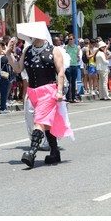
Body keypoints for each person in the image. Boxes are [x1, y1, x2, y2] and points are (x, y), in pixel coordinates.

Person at [6, 22, 73, 168]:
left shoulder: (54, 50)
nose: (29, 36)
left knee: (39, 121)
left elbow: (60, 72)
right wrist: (8, 54)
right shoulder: (28, 50)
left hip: (48, 90)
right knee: (47, 124)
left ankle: (31, 152)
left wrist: (60, 91)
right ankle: (55, 152)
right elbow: (18, 69)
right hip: (33, 92)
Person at [64, 33, 80, 103]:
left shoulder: (77, 47)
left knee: (73, 82)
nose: (70, 40)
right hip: (68, 66)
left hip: (75, 65)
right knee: (68, 81)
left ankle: (73, 97)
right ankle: (68, 97)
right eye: (69, 39)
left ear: (74, 39)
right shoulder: (66, 47)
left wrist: (78, 58)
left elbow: (77, 56)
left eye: (71, 39)